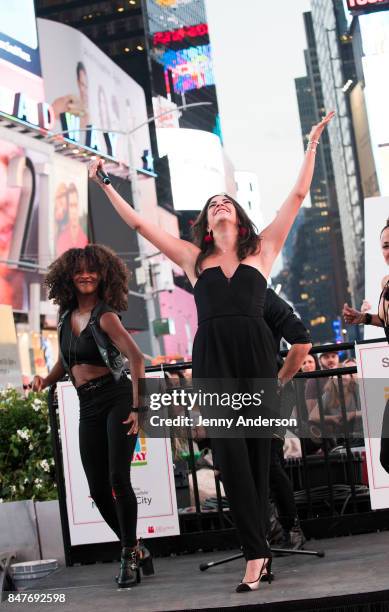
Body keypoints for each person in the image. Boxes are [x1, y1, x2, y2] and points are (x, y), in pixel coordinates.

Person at [88, 110, 334, 592]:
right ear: (207, 221)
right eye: (213, 203)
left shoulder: (261, 252)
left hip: (257, 364)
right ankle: (254, 555)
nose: (221, 204)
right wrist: (105, 184)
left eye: (228, 201)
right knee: (232, 462)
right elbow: (140, 225)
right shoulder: (192, 258)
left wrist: (310, 145)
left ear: (239, 218)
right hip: (215, 364)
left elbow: (298, 196)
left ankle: (259, 556)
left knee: (261, 466)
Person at [31, 245, 152, 588]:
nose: (86, 275)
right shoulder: (66, 316)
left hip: (116, 400)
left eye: (92, 270)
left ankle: (128, 555)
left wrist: (139, 407)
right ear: (68, 276)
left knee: (118, 479)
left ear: (103, 276)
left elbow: (137, 359)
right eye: (79, 270)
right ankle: (137, 546)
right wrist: (45, 379)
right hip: (87, 405)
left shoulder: (106, 316)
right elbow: (66, 362)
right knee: (97, 489)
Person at [263, 289, 312, 551]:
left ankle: (290, 528)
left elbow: (302, 341)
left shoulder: (265, 296)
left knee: (269, 463)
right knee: (256, 465)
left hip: (272, 392)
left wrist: (279, 382)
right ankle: (274, 531)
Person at [343, 217, 389, 473]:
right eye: (385, 245)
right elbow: (385, 320)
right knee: (387, 455)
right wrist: (364, 318)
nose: (388, 251)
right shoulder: (386, 285)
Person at [56, 184, 88, 256]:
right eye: (71, 206)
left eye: (75, 205)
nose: (74, 211)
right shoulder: (62, 239)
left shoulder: (85, 235)